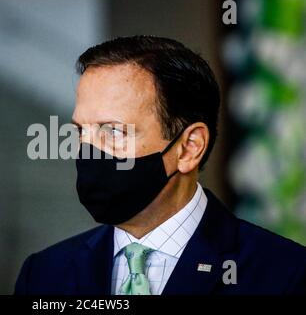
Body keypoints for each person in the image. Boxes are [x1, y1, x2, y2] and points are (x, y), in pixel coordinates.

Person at [15, 36, 306, 295]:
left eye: (113, 132)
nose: (89, 151)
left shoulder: (285, 275)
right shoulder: (44, 275)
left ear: (189, 147)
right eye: (82, 131)